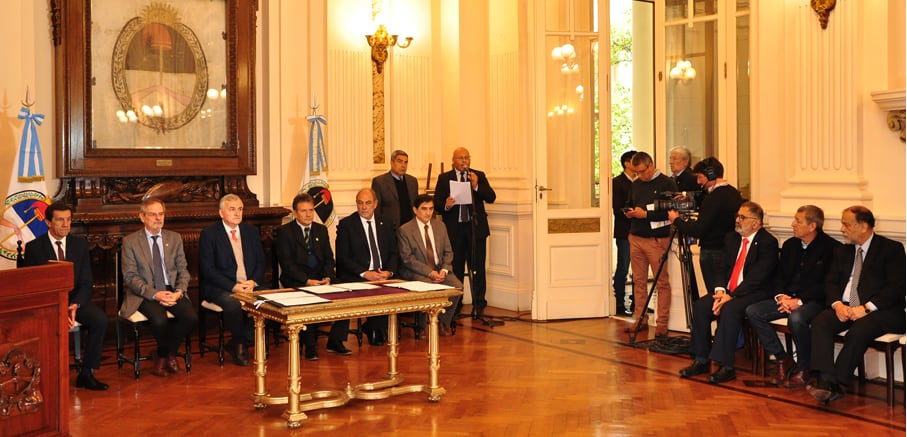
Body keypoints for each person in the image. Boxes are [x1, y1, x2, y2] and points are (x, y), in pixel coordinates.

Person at [806, 206, 906, 403]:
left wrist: (866, 308)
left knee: (859, 330)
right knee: (821, 322)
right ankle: (825, 379)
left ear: (863, 226)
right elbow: (831, 282)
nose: (842, 229)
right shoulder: (842, 251)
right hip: (846, 307)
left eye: (846, 224)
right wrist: (837, 305)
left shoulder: (891, 249)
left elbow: (896, 288)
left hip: (882, 311)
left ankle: (838, 382)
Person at [679, 201, 778, 384]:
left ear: (756, 223)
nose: (737, 220)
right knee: (701, 306)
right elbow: (721, 268)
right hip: (728, 292)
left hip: (754, 293)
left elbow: (757, 278)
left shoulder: (767, 242)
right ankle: (701, 359)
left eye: (743, 217)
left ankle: (727, 366)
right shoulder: (731, 238)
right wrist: (719, 291)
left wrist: (730, 296)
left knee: (730, 309)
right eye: (737, 216)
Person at [744, 205, 841, 387]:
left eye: (798, 221)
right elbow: (779, 276)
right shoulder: (790, 245)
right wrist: (781, 297)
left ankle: (805, 367)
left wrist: (799, 301)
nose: (792, 224)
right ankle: (783, 359)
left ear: (812, 226)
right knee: (753, 311)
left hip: (814, 301)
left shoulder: (832, 249)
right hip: (787, 298)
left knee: (796, 319)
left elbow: (827, 285)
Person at [23, 202, 109, 390]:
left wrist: (75, 305)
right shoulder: (34, 248)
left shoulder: (79, 245)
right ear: (48, 222)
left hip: (76, 300)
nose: (66, 224)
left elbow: (87, 282)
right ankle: (46, 376)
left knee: (100, 320)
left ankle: (86, 373)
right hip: (49, 302)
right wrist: (58, 308)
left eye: (69, 220)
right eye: (60, 220)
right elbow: (31, 286)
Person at [121, 198, 197, 377]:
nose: (158, 218)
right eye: (153, 214)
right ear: (142, 217)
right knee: (160, 320)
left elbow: (183, 271)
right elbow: (130, 277)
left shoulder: (174, 237)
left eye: (161, 214)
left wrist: (178, 292)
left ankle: (164, 354)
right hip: (145, 293)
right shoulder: (130, 242)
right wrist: (156, 294)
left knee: (190, 317)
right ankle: (166, 356)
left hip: (172, 290)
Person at [198, 194, 265, 366]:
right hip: (220, 287)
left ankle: (237, 341)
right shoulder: (210, 234)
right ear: (221, 213)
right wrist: (233, 286)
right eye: (232, 209)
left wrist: (253, 282)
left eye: (240, 209)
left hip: (248, 285)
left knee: (268, 302)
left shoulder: (250, 232)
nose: (237, 213)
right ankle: (241, 346)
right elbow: (208, 270)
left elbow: (260, 261)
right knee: (234, 304)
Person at [275, 192, 342, 359]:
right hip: (297, 278)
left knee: (344, 296)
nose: (308, 214)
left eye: (311, 210)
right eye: (304, 211)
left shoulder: (321, 229)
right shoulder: (285, 232)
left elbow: (328, 258)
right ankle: (310, 348)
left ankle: (335, 341)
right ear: (295, 212)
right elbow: (287, 264)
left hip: (321, 278)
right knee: (306, 298)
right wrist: (307, 281)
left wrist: (327, 277)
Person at [433, 147, 497, 322]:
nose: (464, 161)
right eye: (460, 158)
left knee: (478, 268)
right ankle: (456, 305)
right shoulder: (444, 178)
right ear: (453, 160)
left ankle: (479, 305)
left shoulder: (478, 175)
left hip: (475, 229)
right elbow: (437, 203)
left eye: (467, 157)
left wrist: (476, 186)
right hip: (455, 231)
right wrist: (446, 204)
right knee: (457, 268)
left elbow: (491, 197)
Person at [667, 157, 743, 295]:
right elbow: (706, 198)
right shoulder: (733, 192)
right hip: (730, 248)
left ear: (711, 175)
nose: (698, 182)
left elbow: (699, 230)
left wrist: (676, 220)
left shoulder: (713, 198)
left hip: (713, 252)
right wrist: (689, 196)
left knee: (714, 294)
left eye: (700, 177)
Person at [335, 188, 400, 346]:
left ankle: (375, 327)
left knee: (390, 289)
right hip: (357, 274)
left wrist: (388, 272)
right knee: (369, 289)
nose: (364, 207)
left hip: (382, 273)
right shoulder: (347, 225)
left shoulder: (385, 223)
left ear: (375, 204)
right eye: (360, 203)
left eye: (368, 203)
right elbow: (342, 258)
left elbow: (394, 252)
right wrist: (365, 273)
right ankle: (374, 328)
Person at [623, 151, 677, 337]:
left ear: (651, 165)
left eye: (643, 171)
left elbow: (670, 212)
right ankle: (640, 318)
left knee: (661, 282)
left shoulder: (667, 183)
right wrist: (629, 212)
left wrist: (645, 214)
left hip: (656, 239)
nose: (640, 176)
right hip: (636, 236)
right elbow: (630, 202)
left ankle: (662, 322)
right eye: (636, 172)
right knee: (638, 281)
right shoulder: (636, 184)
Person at [397, 194, 463, 338]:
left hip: (440, 269)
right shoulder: (405, 230)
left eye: (431, 209)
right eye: (424, 209)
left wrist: (444, 270)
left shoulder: (440, 226)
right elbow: (408, 260)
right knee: (427, 286)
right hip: (417, 271)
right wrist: (429, 272)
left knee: (457, 286)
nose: (428, 213)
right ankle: (421, 326)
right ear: (415, 210)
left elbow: (448, 251)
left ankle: (443, 322)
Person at [612, 150, 636, 316]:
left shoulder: (641, 181)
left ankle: (638, 303)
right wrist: (634, 213)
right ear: (627, 163)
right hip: (624, 231)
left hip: (640, 231)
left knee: (639, 270)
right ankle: (619, 302)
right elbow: (618, 208)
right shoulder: (617, 182)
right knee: (623, 267)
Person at [372, 149, 419, 229]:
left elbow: (416, 205)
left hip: (411, 228)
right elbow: (376, 209)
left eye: (406, 162)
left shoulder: (413, 181)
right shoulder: (380, 182)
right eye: (400, 161)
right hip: (390, 228)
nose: (403, 165)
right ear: (392, 162)